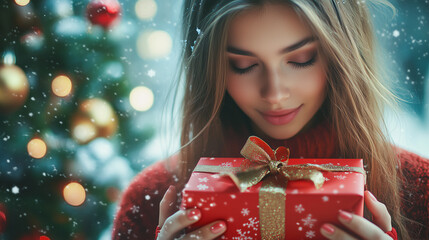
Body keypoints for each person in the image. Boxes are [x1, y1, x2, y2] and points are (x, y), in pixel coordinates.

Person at [112, 0, 429, 239]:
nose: (274, 93)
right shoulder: (152, 198)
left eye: (301, 59)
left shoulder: (418, 189)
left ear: (345, 55)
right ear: (209, 69)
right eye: (243, 65)